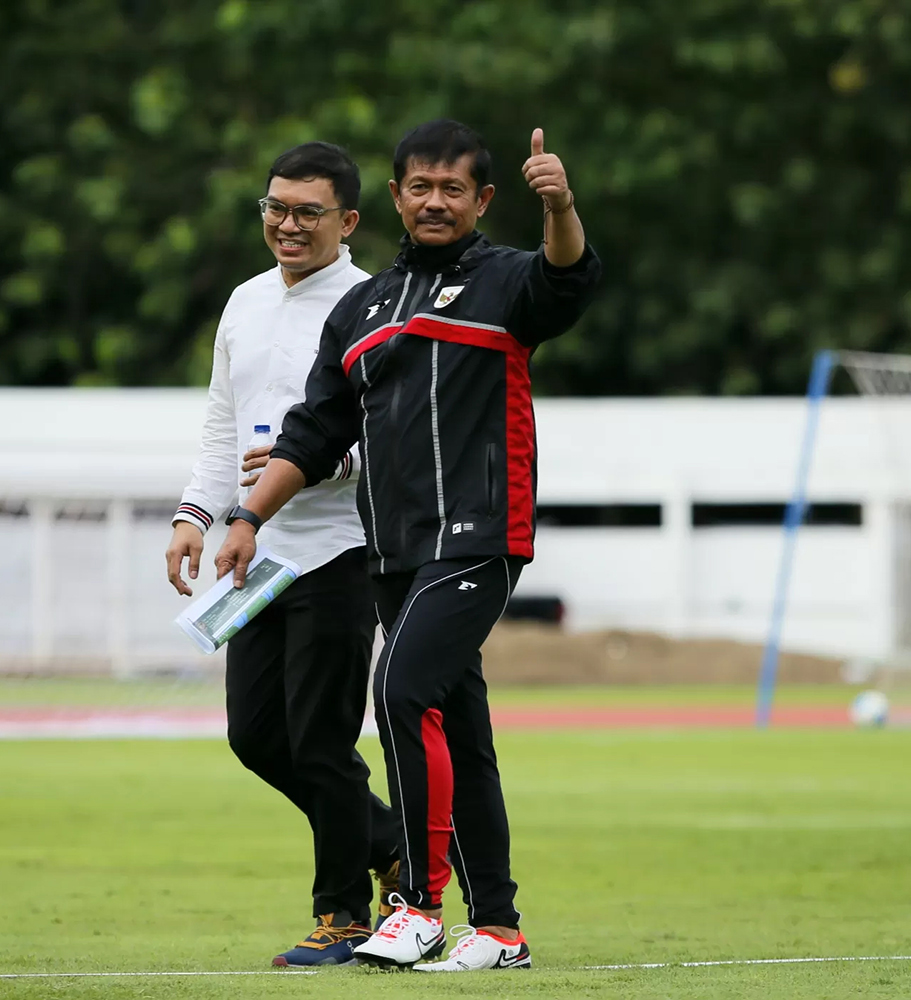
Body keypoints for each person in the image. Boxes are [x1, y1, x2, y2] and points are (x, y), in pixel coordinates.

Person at [213, 120, 601, 972]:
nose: (434, 201)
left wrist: (561, 205)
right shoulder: (362, 309)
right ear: (396, 197)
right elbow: (313, 434)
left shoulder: (507, 282)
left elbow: (568, 279)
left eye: (452, 189)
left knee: (398, 689)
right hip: (395, 552)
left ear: (481, 201)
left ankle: (419, 905)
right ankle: (498, 929)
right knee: (463, 732)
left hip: (480, 535)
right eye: (420, 187)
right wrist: (243, 520)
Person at [165, 141, 400, 968]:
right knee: (256, 736)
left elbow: (394, 433)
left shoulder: (376, 302)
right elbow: (222, 425)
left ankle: (342, 916)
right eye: (275, 208)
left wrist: (323, 465)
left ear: (350, 221)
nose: (288, 225)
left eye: (308, 212)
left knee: (321, 741)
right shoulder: (243, 302)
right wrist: (196, 513)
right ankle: (395, 842)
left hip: (338, 546)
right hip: (251, 553)